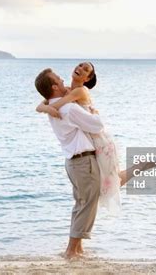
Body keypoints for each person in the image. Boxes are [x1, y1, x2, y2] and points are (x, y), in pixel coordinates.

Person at [36, 62, 124, 214]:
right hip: (90, 135)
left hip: (99, 137)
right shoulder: (68, 91)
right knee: (107, 179)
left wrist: (49, 108)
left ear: (87, 79)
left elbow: (59, 104)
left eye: (86, 70)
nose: (80, 68)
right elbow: (40, 105)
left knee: (109, 178)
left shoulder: (80, 91)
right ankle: (142, 167)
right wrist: (45, 108)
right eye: (80, 65)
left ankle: (142, 167)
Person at [34, 67, 103, 259]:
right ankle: (72, 250)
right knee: (88, 204)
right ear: (55, 86)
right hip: (83, 162)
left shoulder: (52, 105)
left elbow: (42, 105)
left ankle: (76, 249)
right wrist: (95, 112)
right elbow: (97, 125)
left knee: (81, 204)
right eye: (58, 78)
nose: (63, 79)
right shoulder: (68, 108)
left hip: (74, 162)